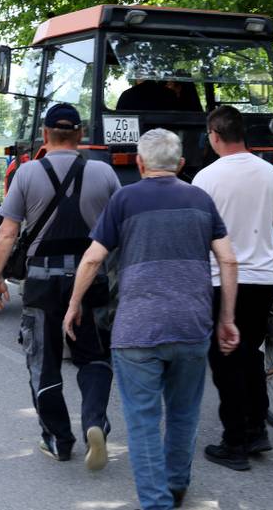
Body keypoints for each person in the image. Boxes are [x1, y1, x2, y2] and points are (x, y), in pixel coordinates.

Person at [65, 128, 239, 510]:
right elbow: (228, 259)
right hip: (192, 327)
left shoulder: (125, 200)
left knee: (143, 422)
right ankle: (177, 484)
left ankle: (156, 502)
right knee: (183, 413)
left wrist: (75, 303)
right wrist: (226, 318)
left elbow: (94, 258)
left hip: (137, 331)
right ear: (179, 164)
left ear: (140, 164)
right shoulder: (201, 199)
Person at [0, 102, 121, 470]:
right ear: (80, 135)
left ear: (45, 136)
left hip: (43, 281)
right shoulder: (104, 174)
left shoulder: (27, 174)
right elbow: (119, 233)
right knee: (93, 357)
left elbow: (7, 231)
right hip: (90, 278)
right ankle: (95, 421)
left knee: (43, 362)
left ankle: (58, 440)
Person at [192, 105, 273, 471]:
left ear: (214, 136)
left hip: (223, 281)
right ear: (242, 134)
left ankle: (235, 443)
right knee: (250, 353)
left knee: (225, 362)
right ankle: (256, 430)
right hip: (265, 280)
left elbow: (196, 231)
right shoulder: (269, 172)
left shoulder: (205, 178)